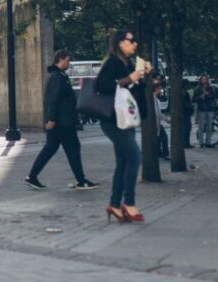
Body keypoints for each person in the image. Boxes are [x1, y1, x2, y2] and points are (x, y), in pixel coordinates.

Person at [25, 50, 99, 190]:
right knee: (73, 149)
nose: (69, 63)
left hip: (61, 121)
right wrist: (51, 119)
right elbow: (52, 100)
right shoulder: (57, 77)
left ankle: (32, 176)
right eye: (67, 60)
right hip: (62, 122)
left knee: (52, 148)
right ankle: (81, 180)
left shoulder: (59, 76)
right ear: (60, 60)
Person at [94, 30, 148, 223]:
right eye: (131, 40)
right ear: (119, 43)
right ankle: (129, 203)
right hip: (113, 120)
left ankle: (115, 205)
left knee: (123, 162)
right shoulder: (113, 62)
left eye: (135, 41)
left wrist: (140, 75)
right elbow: (101, 86)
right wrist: (130, 78)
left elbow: (134, 90)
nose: (135, 44)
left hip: (125, 119)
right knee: (135, 157)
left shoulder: (128, 63)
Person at [192, 75, 217, 148]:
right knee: (201, 127)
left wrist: (208, 95)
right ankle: (201, 142)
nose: (204, 81)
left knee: (209, 126)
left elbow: (214, 96)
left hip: (209, 109)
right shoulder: (197, 89)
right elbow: (193, 99)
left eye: (206, 79)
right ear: (201, 80)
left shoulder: (211, 88)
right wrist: (200, 97)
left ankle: (208, 142)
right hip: (201, 109)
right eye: (203, 79)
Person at [181, 80, 195, 148]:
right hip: (185, 112)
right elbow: (186, 103)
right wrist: (190, 107)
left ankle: (186, 142)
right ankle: (185, 142)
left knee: (187, 128)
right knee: (187, 128)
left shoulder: (184, 92)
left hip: (185, 112)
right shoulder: (183, 93)